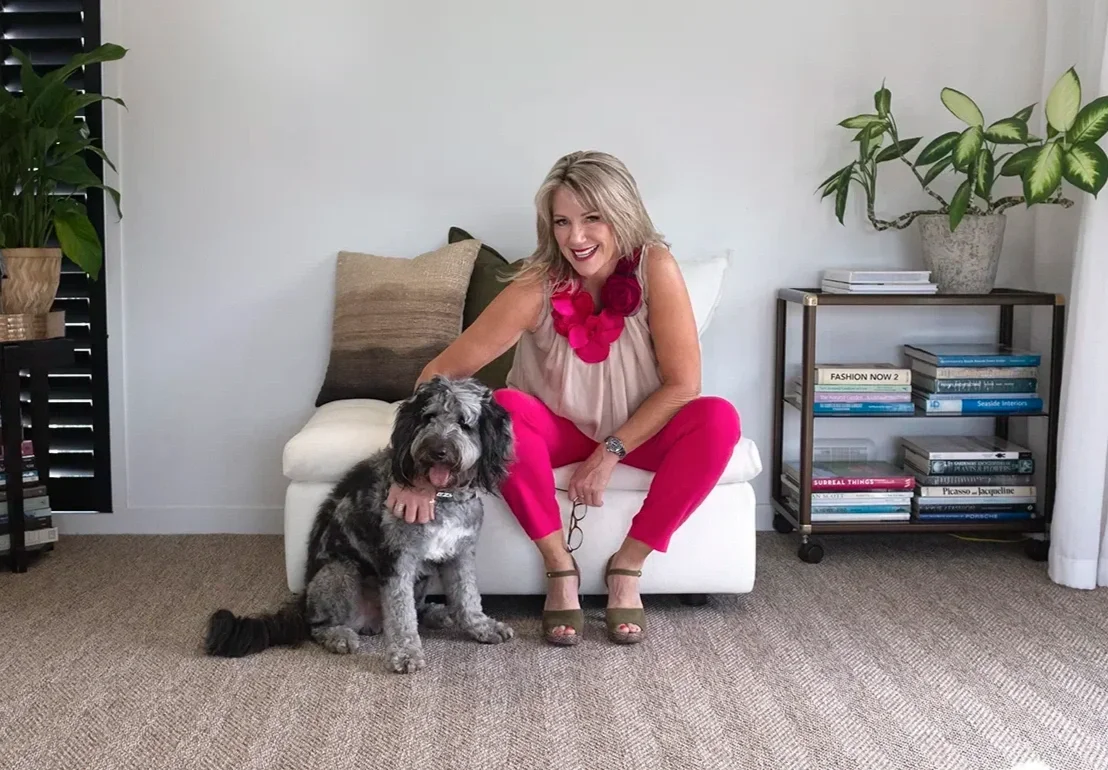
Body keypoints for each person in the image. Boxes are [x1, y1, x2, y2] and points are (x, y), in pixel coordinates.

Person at [387, 150, 741, 646]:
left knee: (718, 418)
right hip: (556, 431)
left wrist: (609, 453)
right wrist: (411, 471)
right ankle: (560, 568)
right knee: (504, 407)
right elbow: (440, 373)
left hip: (641, 432)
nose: (576, 237)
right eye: (562, 221)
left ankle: (627, 567)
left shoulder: (655, 266)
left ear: (621, 213)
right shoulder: (537, 285)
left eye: (592, 218)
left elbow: (683, 386)